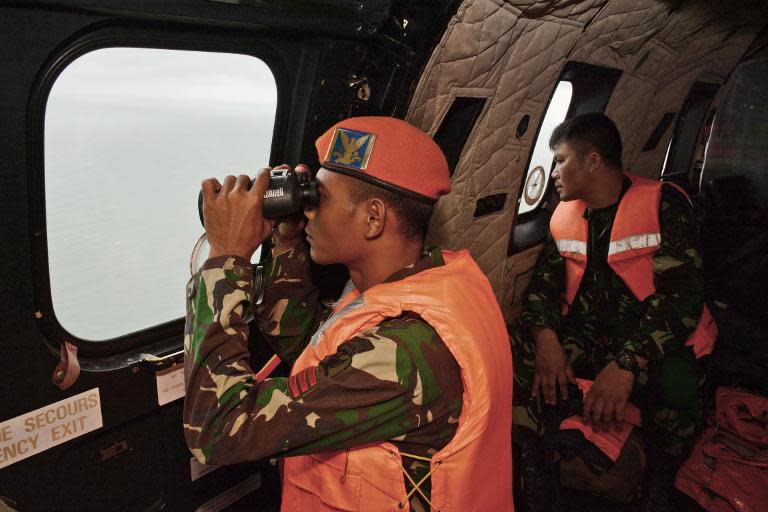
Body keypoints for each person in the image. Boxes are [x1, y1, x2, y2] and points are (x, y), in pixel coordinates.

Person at [184, 116, 513, 511]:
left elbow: (219, 429)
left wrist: (227, 258)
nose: (307, 212)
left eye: (317, 199)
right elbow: (311, 350)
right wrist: (287, 243)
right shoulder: (416, 285)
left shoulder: (403, 349)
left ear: (373, 219)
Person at [510, 113, 717, 511]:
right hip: (589, 339)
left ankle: (659, 476)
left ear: (592, 162)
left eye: (561, 160)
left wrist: (626, 364)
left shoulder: (663, 205)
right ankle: (535, 464)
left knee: (677, 388)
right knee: (513, 351)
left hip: (651, 342)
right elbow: (542, 287)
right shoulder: (564, 216)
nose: (553, 172)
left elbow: (682, 299)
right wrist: (546, 339)